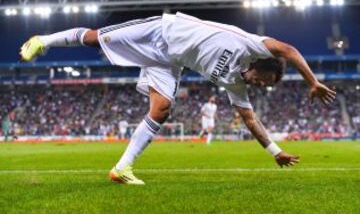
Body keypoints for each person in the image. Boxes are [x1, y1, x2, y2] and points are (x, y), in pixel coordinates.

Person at [20, 12, 336, 185]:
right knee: (93, 39)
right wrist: (313, 81)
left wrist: (275, 152)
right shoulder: (253, 45)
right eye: (265, 80)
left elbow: (250, 120)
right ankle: (44, 40)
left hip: (169, 62)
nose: (262, 85)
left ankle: (122, 168)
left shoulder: (234, 83)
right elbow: (289, 50)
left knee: (162, 108)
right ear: (260, 64)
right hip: (163, 31)